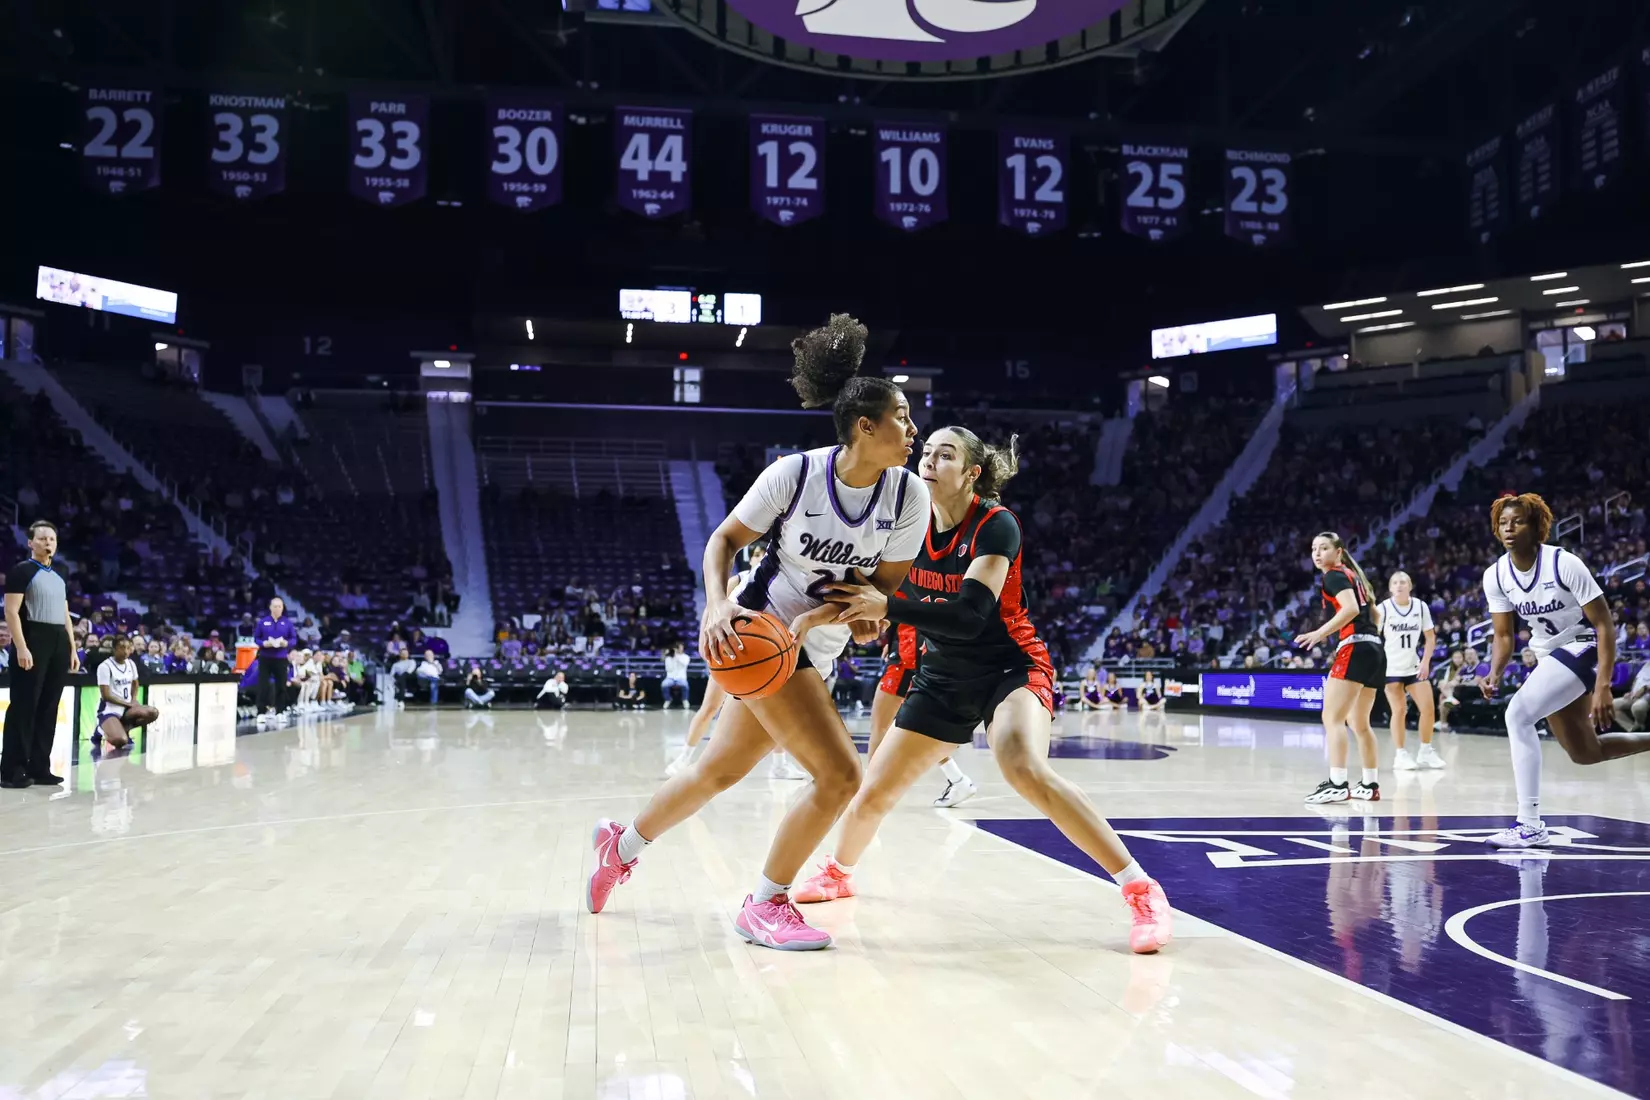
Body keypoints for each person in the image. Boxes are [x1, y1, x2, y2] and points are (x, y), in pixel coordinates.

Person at [586, 313, 929, 951]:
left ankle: (620, 846)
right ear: (865, 426)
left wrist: (853, 618)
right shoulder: (793, 477)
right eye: (903, 418)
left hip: (808, 644)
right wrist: (716, 604)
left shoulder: (908, 499)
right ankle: (766, 902)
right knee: (840, 776)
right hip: (758, 630)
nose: (912, 430)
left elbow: (883, 595)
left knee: (716, 772)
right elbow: (723, 540)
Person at [793, 426, 1173, 954]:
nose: (928, 462)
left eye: (944, 455)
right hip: (942, 675)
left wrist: (890, 608)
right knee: (874, 791)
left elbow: (972, 615)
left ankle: (1141, 889)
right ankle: (838, 872)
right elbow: (866, 590)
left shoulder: (996, 525)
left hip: (1008, 667)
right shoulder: (904, 527)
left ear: (972, 473)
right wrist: (814, 616)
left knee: (1021, 762)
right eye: (926, 453)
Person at [1478, 493, 1650, 848]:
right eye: (1503, 523)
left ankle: (1529, 823)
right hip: (1549, 656)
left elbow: (1604, 624)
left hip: (1583, 645)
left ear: (1537, 526)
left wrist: (1603, 684)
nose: (1509, 529)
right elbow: (1503, 634)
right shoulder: (1495, 575)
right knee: (1585, 753)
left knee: (1518, 715)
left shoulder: (1563, 562)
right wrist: (1495, 671)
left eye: (1518, 521)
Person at [869, 578, 975, 808]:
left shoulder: (914, 571)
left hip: (910, 658)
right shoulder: (912, 569)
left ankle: (867, 792)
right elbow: (898, 609)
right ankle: (957, 780)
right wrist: (891, 639)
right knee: (920, 730)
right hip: (909, 652)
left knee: (880, 725)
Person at [1298, 532, 1385, 804]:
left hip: (1356, 647)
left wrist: (1319, 634)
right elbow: (1376, 614)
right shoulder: (1353, 575)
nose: (1317, 553)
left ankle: (1337, 783)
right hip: (1375, 650)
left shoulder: (1334, 575)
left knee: (1332, 718)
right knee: (1359, 723)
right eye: (1314, 548)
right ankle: (1369, 784)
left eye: (1324, 548)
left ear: (1338, 552)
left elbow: (1349, 610)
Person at [3, 521, 79, 786]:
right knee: (24, 706)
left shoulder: (60, 573)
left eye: (52, 539)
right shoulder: (21, 571)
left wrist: (72, 646)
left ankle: (39, 767)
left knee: (48, 707)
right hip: (33, 638)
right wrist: (21, 647)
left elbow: (65, 612)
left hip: (58, 638)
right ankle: (12, 770)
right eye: (43, 538)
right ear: (30, 543)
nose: (48, 543)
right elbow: (11, 612)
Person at [1379, 571, 1443, 770]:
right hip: (1391, 668)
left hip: (1414, 665)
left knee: (1428, 709)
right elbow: (1374, 637)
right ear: (1390, 588)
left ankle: (1425, 750)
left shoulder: (1420, 607)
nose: (1399, 585)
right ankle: (1401, 754)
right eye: (1395, 583)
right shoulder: (1383, 609)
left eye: (1403, 582)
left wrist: (1425, 662)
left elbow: (1430, 638)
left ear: (1410, 586)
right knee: (1399, 711)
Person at [92, 634, 159, 752]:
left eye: (128, 648)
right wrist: (128, 704)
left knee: (152, 713)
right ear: (114, 649)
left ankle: (124, 728)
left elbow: (135, 683)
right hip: (109, 710)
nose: (126, 651)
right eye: (122, 647)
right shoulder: (105, 666)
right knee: (120, 741)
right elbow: (106, 695)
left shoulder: (131, 664)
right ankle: (100, 730)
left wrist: (133, 699)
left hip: (126, 708)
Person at [253, 596, 296, 728]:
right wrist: (264, 643)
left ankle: (280, 711)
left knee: (281, 685)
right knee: (263, 685)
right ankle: (261, 712)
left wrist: (286, 643)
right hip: (265, 657)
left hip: (281, 658)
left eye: (280, 606)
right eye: (275, 606)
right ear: (270, 607)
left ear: (283, 608)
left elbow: (294, 639)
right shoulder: (263, 622)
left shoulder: (287, 623)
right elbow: (256, 638)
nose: (277, 609)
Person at [1613, 660, 1650, 731]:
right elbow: (1637, 679)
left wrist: (1644, 689)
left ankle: (1640, 725)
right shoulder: (1647, 665)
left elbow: (1645, 687)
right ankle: (1631, 728)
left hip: (1646, 697)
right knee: (1612, 705)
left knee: (1637, 707)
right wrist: (1631, 692)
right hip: (1634, 695)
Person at [660, 644, 690, 708]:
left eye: (680, 648)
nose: (679, 649)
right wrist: (668, 656)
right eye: (678, 648)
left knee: (685, 685)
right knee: (664, 684)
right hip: (670, 678)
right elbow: (668, 669)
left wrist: (677, 657)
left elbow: (684, 664)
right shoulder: (668, 658)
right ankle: (668, 699)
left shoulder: (686, 657)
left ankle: (684, 700)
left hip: (681, 678)